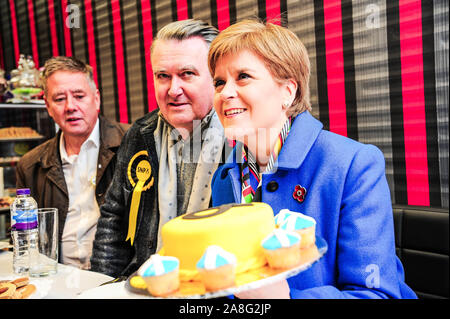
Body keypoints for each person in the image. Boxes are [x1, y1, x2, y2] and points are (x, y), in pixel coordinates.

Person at [208, 19, 417, 299]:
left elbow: (378, 296)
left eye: (243, 76)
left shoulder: (354, 165)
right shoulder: (225, 177)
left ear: (287, 91)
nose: (226, 93)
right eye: (219, 82)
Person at [90, 19, 227, 278]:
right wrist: (102, 285)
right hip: (146, 283)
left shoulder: (241, 136)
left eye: (187, 74)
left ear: (215, 77)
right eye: (163, 76)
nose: (173, 90)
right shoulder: (140, 133)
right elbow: (114, 218)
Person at [16, 56, 129, 270]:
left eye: (79, 96)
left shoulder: (131, 143)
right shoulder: (31, 165)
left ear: (96, 99)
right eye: (59, 99)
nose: (70, 106)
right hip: (57, 277)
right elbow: (27, 238)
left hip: (116, 277)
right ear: (48, 106)